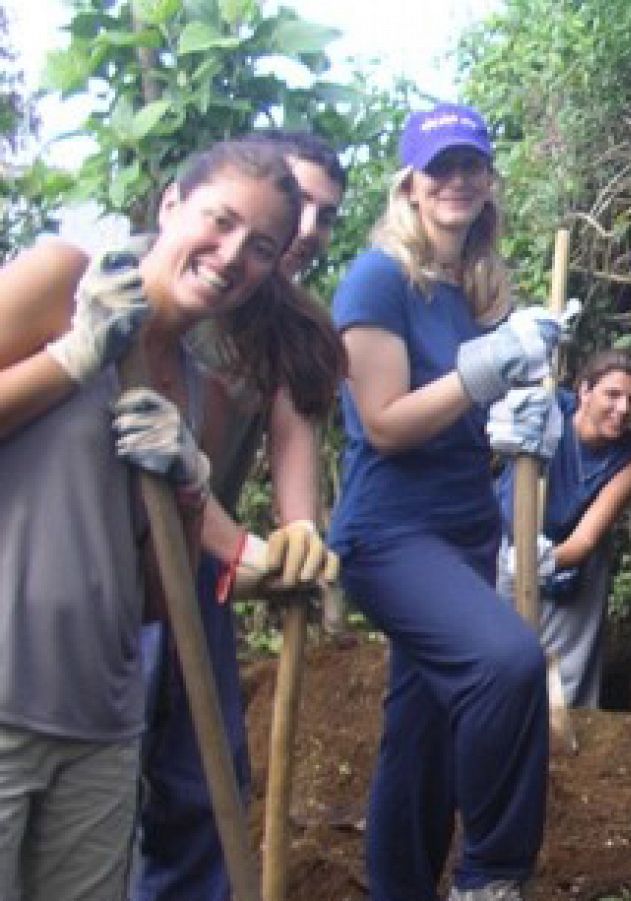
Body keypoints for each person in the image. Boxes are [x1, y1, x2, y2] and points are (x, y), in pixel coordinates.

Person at [0, 139, 309, 901]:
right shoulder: (64, 281)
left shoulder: (198, 396)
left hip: (101, 726)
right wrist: (73, 359)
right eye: (220, 219)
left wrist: (188, 490)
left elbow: (150, 598)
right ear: (171, 205)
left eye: (260, 247)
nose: (233, 253)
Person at [328, 102, 557, 901]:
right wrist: (483, 371)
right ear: (411, 184)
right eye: (440, 168)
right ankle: (491, 874)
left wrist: (522, 424)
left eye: (471, 166)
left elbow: (467, 422)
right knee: (507, 663)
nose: (456, 181)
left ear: (489, 181)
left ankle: (398, 888)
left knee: (420, 732)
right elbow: (388, 424)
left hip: (465, 524)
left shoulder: (477, 284)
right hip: (391, 535)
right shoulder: (378, 278)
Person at [135, 129, 347, 901]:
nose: (307, 230)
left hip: (194, 567)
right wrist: (238, 545)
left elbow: (296, 453)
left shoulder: (293, 329)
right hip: (114, 560)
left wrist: (298, 543)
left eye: (321, 217)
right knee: (110, 768)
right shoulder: (151, 286)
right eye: (301, 203)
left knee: (204, 777)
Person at [492, 349, 631, 708]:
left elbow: (586, 538)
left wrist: (542, 561)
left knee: (565, 676)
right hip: (510, 543)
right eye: (613, 395)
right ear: (584, 391)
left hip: (574, 560)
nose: (623, 408)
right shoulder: (547, 410)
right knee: (498, 653)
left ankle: (568, 747)